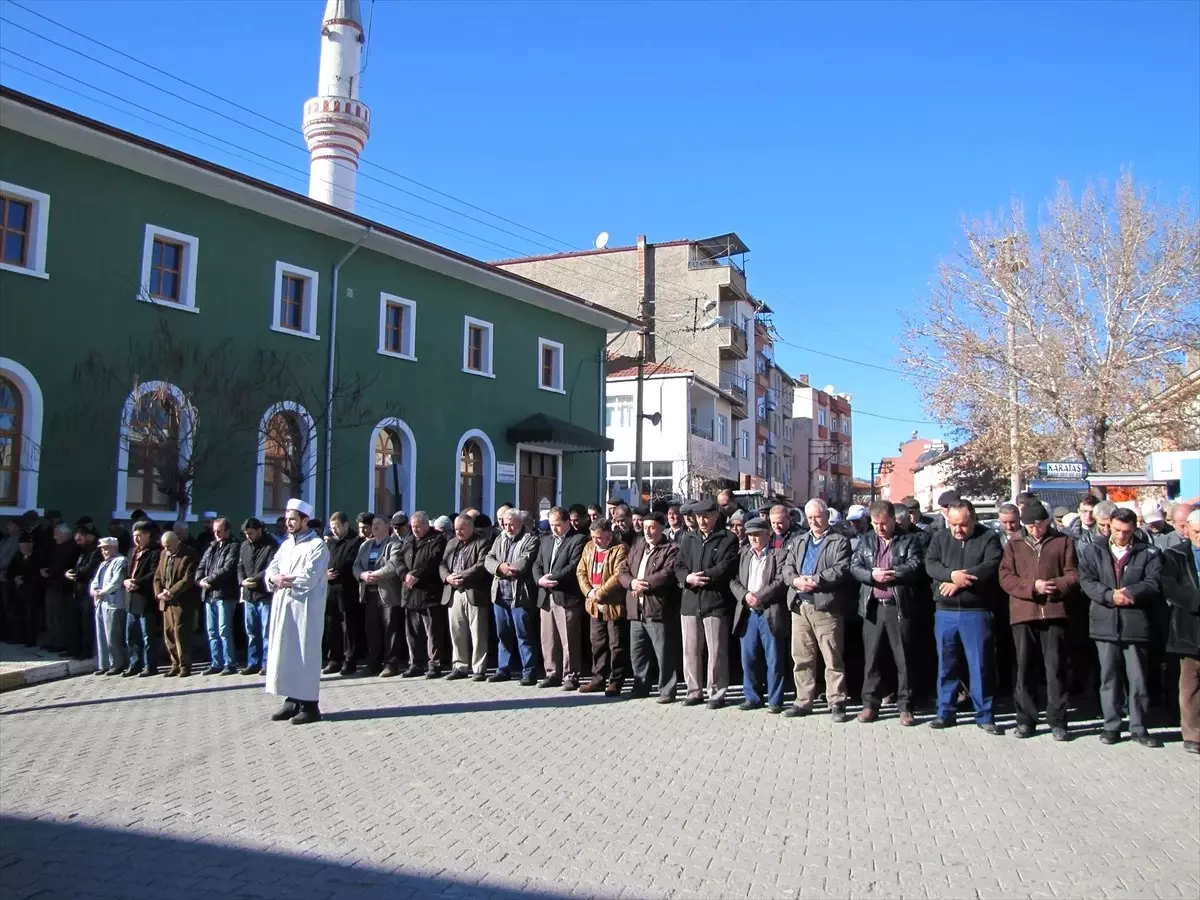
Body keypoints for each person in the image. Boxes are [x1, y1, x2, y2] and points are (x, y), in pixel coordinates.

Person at [1079, 506, 1164, 748]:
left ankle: (1138, 727)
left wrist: (1129, 593)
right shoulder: (1094, 550)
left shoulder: (1149, 552)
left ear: (1134, 528)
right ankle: (1111, 725)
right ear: (1109, 526)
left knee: (1137, 679)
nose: (1120, 535)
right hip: (1104, 622)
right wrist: (1108, 596)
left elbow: (1153, 582)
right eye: (1115, 530)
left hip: (1136, 623)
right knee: (1109, 678)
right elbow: (1086, 580)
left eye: (1126, 531)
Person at [998, 501, 1079, 741]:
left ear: (1048, 522)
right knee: (1024, 668)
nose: (1036, 531)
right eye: (1030, 526)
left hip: (1054, 612)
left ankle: (1058, 720)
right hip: (1024, 612)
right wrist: (1032, 587)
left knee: (1055, 669)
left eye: (1040, 525)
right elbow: (1005, 578)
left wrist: (1057, 585)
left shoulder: (1062, 541)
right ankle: (1026, 720)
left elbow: (1073, 575)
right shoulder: (1014, 544)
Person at [924, 499, 1004, 734]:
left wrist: (960, 581)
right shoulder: (940, 538)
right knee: (946, 666)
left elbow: (991, 566)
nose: (957, 530)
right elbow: (930, 564)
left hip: (976, 612)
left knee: (980, 665)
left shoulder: (988, 537)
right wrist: (950, 575)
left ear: (973, 520)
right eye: (953, 524)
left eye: (963, 525)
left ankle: (985, 715)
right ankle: (945, 712)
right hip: (945, 612)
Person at [849, 500, 925, 726]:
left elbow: (916, 565)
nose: (879, 528)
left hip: (898, 607)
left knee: (903, 659)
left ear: (893, 520)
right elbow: (854, 567)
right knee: (871, 659)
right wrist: (872, 575)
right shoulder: (866, 541)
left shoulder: (909, 539)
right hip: (872, 607)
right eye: (875, 524)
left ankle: (905, 706)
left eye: (883, 523)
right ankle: (870, 705)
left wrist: (893, 573)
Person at [781, 499, 854, 722]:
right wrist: (795, 581)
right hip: (799, 606)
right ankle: (804, 701)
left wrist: (815, 580)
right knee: (802, 657)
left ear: (826, 516)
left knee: (832, 657)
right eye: (810, 518)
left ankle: (837, 701)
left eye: (818, 517)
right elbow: (787, 567)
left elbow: (841, 569)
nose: (814, 522)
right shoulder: (799, 540)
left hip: (825, 606)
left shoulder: (839, 541)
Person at [264, 499, 331, 725]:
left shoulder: (317, 546)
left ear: (305, 520)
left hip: (306, 609)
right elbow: (272, 568)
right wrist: (274, 578)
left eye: (293, 519)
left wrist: (284, 580)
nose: (288, 522)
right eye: (287, 518)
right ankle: (291, 700)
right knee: (285, 651)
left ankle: (310, 705)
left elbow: (309, 577)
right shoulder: (286, 545)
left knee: (304, 654)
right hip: (284, 606)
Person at [674, 498, 740, 709]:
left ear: (715, 516)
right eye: (698, 517)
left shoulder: (728, 538)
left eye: (705, 517)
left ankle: (716, 692)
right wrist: (687, 578)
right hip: (691, 602)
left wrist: (703, 577)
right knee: (690, 649)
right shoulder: (688, 538)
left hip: (715, 602)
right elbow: (679, 565)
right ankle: (694, 691)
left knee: (716, 650)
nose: (701, 521)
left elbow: (726, 567)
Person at [620, 512, 681, 703]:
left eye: (652, 527)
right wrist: (631, 584)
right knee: (638, 652)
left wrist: (643, 584)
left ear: (661, 528)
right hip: (636, 609)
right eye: (645, 527)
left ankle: (667, 690)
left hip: (657, 608)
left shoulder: (671, 549)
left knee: (664, 652)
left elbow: (668, 573)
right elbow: (622, 570)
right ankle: (641, 686)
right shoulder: (637, 548)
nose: (647, 531)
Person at [730, 517, 788, 714]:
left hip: (769, 612)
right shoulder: (743, 555)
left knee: (774, 658)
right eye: (750, 535)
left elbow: (781, 581)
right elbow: (734, 580)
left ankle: (775, 700)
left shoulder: (779, 555)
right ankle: (752, 697)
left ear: (767, 534)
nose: (753, 538)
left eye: (757, 534)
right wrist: (745, 596)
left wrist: (760, 597)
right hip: (748, 612)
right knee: (749, 657)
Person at [532, 506, 588, 689]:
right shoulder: (545, 540)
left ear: (567, 522)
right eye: (551, 525)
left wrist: (552, 578)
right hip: (546, 596)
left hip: (566, 596)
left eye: (557, 525)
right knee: (548, 638)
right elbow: (537, 563)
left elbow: (574, 566)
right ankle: (552, 673)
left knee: (569, 639)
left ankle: (571, 675)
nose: (554, 529)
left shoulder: (578, 539)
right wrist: (540, 579)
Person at [484, 508, 540, 685]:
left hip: (520, 596)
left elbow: (524, 561)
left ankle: (529, 670)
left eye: (511, 525)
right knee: (503, 634)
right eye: (505, 524)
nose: (507, 528)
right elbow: (489, 558)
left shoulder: (531, 539)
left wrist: (508, 569)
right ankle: (503, 669)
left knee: (524, 635)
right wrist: (499, 567)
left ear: (520, 524)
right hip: (500, 594)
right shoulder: (500, 538)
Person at [575, 518, 629, 696]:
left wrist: (601, 593)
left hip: (613, 604)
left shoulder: (620, 548)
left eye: (599, 537)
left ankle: (616, 681)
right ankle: (598, 678)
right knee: (597, 643)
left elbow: (618, 574)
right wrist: (589, 592)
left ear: (609, 534)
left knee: (616, 644)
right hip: (593, 603)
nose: (595, 540)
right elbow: (581, 571)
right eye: (593, 537)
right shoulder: (589, 547)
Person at [1162, 509, 1200, 754]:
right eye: (1197, 532)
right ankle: (1193, 735)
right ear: (1186, 528)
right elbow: (1168, 586)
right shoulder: (1175, 555)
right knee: (1191, 684)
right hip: (1189, 627)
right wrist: (1196, 600)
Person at [441, 513, 492, 681]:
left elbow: (481, 565)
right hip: (454, 592)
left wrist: (461, 576)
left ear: (471, 527)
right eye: (456, 529)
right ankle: (459, 666)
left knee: (478, 632)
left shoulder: (482, 542)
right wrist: (447, 577)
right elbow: (442, 564)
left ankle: (479, 668)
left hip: (474, 592)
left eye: (462, 529)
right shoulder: (451, 543)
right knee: (456, 631)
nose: (459, 532)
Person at [399, 511, 449, 678]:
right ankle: (415, 663)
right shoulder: (408, 540)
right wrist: (404, 574)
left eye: (418, 527)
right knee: (412, 632)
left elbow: (434, 560)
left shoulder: (437, 539)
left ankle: (434, 664)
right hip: (410, 593)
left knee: (432, 632)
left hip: (429, 593)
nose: (415, 530)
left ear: (427, 525)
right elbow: (398, 560)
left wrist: (417, 575)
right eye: (413, 527)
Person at [355, 515, 404, 676]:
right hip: (369, 594)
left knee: (390, 631)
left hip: (388, 594)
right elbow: (356, 565)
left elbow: (393, 565)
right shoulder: (365, 545)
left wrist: (374, 574)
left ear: (387, 526)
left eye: (378, 524)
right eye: (373, 524)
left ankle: (391, 665)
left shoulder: (394, 544)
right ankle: (373, 664)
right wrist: (362, 575)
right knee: (372, 631)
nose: (374, 527)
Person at [196, 517, 241, 676]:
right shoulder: (212, 547)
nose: (216, 534)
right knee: (211, 630)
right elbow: (201, 566)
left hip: (224, 594)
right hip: (208, 594)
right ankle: (216, 662)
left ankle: (230, 663)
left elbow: (227, 568)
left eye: (219, 530)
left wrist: (209, 580)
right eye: (214, 530)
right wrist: (200, 579)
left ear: (227, 531)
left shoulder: (234, 546)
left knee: (224, 630)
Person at [322, 512, 364, 676]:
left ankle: (349, 660)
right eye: (332, 528)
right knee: (332, 625)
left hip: (347, 589)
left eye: (337, 527)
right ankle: (334, 659)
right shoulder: (331, 542)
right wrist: (325, 573)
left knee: (348, 627)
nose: (335, 531)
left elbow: (351, 562)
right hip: (331, 590)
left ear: (346, 525)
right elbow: (324, 561)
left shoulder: (356, 541)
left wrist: (337, 572)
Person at [154, 530, 198, 677]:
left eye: (169, 546)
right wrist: (159, 592)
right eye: (164, 546)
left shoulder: (188, 554)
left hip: (182, 601)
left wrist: (171, 591)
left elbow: (188, 579)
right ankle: (174, 664)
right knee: (169, 633)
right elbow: (158, 576)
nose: (166, 549)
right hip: (166, 601)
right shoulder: (163, 554)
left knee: (181, 633)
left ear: (177, 542)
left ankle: (185, 665)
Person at [238, 518, 277, 676]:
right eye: (246, 534)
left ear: (260, 530)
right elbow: (240, 566)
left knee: (266, 632)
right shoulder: (244, 546)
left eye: (251, 533)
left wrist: (255, 579)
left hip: (264, 594)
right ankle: (252, 662)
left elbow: (271, 567)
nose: (248, 536)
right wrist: (242, 581)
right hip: (249, 595)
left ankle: (267, 663)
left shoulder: (271, 545)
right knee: (251, 631)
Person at [122, 521, 161, 677]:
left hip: (145, 599)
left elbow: (154, 573)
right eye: (135, 536)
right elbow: (126, 571)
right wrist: (125, 581)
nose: (136, 539)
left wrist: (136, 583)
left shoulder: (155, 552)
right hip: (131, 599)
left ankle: (150, 665)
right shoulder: (132, 551)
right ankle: (134, 664)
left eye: (140, 535)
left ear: (147, 535)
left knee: (147, 635)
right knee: (131, 635)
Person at [88, 536, 129, 676]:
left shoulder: (121, 561)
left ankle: (117, 664)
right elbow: (94, 581)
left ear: (114, 547)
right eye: (102, 549)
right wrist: (94, 591)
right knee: (101, 635)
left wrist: (102, 592)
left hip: (113, 603)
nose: (103, 551)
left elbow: (116, 582)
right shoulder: (103, 564)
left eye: (106, 548)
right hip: (100, 602)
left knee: (113, 636)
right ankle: (104, 664)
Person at [65, 526, 102, 661]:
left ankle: (86, 651)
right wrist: (69, 573)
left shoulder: (96, 551)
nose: (78, 542)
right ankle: (74, 648)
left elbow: (90, 569)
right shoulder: (81, 551)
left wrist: (76, 573)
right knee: (75, 621)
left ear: (87, 536)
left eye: (80, 539)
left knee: (86, 623)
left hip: (87, 591)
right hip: (77, 590)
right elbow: (77, 566)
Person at [41, 523, 77, 654]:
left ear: (65, 534)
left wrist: (48, 571)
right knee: (50, 615)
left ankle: (61, 642)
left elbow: (61, 565)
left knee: (59, 616)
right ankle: (53, 640)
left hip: (62, 587)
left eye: (57, 534)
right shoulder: (57, 547)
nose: (54, 537)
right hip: (52, 585)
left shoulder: (70, 548)